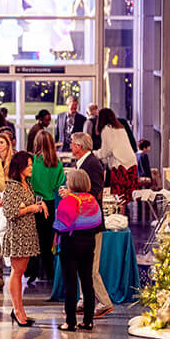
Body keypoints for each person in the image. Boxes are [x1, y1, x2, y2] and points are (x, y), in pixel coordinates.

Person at [68, 133, 113, 317]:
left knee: (91, 268)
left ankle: (104, 302)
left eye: (72, 144)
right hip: (82, 223)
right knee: (82, 264)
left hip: (91, 222)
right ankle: (85, 299)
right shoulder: (84, 163)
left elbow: (94, 193)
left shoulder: (92, 164)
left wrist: (72, 196)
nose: (70, 146)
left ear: (79, 146)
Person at [1, 151, 44, 328]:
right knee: (17, 272)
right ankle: (17, 311)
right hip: (18, 234)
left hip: (27, 233)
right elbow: (10, 213)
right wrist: (30, 208)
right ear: (19, 167)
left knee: (21, 271)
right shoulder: (12, 186)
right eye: (28, 165)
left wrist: (39, 205)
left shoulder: (27, 184)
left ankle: (19, 309)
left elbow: (28, 203)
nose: (31, 168)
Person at [56, 169, 100, 333]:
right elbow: (97, 221)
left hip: (70, 244)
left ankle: (70, 321)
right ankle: (88, 321)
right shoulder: (92, 199)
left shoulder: (69, 200)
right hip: (89, 243)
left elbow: (61, 224)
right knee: (87, 282)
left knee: (71, 284)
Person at [30, 130, 64, 284]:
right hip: (50, 202)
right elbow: (58, 184)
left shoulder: (33, 162)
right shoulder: (57, 163)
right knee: (48, 238)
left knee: (34, 237)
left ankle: (34, 271)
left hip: (35, 201)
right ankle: (49, 272)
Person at [96, 107, 138, 211]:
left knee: (118, 197)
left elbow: (106, 151)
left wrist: (94, 153)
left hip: (120, 166)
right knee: (123, 198)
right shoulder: (120, 127)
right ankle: (121, 220)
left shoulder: (106, 129)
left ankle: (118, 222)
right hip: (131, 164)